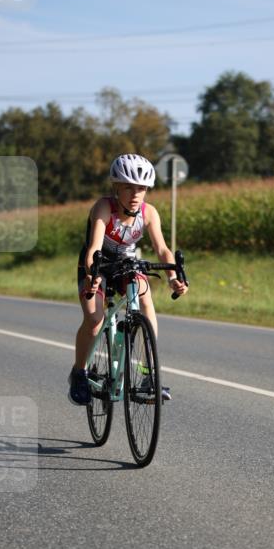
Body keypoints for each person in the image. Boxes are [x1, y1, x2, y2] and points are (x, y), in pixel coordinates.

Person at [68, 153, 188, 406]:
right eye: (128, 187)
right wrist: (92, 276)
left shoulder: (149, 213)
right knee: (94, 319)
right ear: (116, 187)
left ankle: (148, 374)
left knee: (145, 299)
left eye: (142, 188)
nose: (135, 194)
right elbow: (94, 248)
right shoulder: (103, 207)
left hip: (126, 264)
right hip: (98, 264)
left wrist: (172, 277)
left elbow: (163, 250)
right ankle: (79, 373)